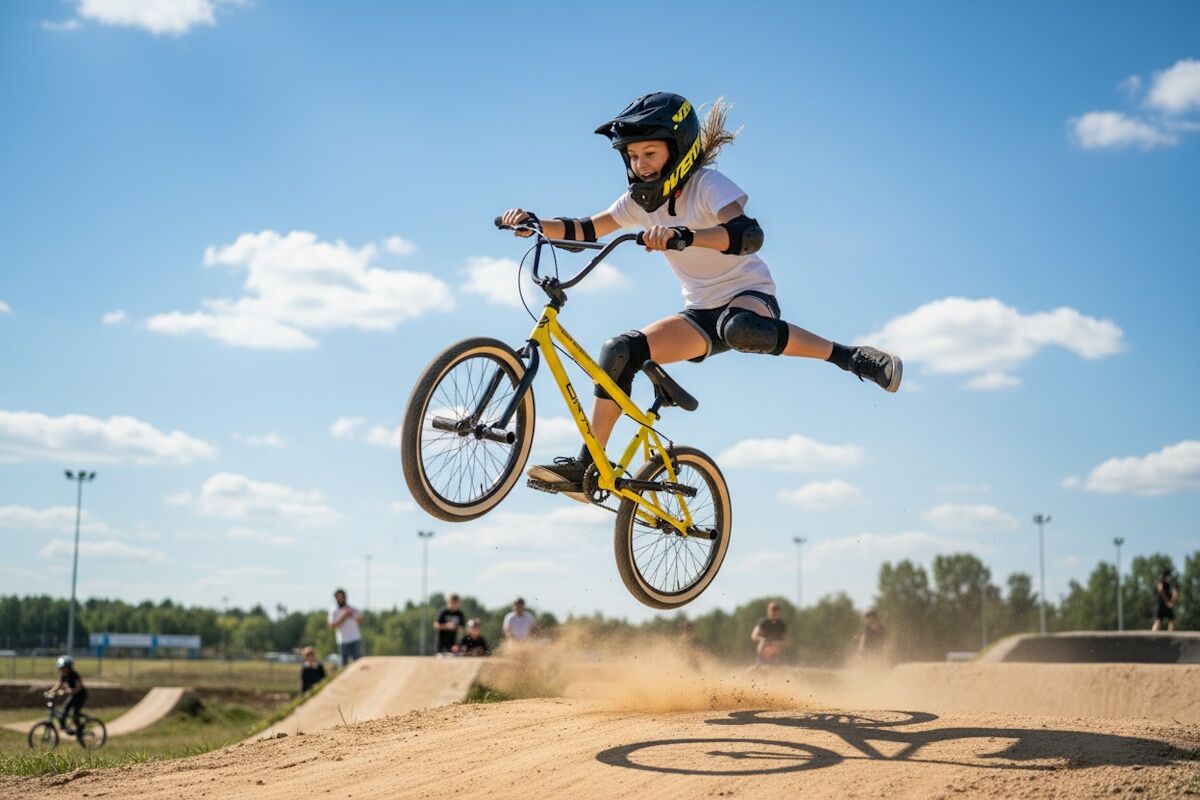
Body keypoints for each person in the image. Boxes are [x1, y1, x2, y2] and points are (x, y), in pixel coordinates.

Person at [500, 92, 902, 499]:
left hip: (748, 297)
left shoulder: (707, 186)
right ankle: (590, 467)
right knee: (620, 350)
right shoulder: (639, 203)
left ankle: (850, 357)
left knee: (741, 328)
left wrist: (685, 236)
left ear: (677, 152)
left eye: (650, 154)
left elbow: (749, 235)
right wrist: (534, 222)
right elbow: (588, 229)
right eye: (633, 156)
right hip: (699, 314)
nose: (640, 165)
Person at [49, 655, 87, 733]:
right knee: (65, 709)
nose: (60, 670)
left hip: (81, 696)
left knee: (74, 713)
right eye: (60, 668)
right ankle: (64, 727)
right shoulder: (63, 675)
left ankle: (80, 728)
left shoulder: (75, 675)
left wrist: (66, 691)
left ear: (68, 667)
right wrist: (51, 691)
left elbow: (78, 688)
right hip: (73, 695)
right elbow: (59, 684)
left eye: (62, 668)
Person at [328, 588, 364, 665]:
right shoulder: (334, 611)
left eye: (341, 596)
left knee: (357, 662)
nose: (340, 599)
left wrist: (352, 615)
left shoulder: (352, 608)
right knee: (344, 663)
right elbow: (332, 625)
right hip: (343, 641)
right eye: (338, 597)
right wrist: (343, 617)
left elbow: (361, 620)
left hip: (355, 638)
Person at [750, 601, 787, 665]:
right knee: (762, 643)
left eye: (776, 609)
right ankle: (759, 664)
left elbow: (787, 640)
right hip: (764, 647)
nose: (773, 612)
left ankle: (776, 664)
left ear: (779, 611)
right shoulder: (763, 622)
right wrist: (762, 639)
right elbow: (753, 636)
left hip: (776, 649)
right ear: (768, 610)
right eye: (772, 609)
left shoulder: (781, 624)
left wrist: (778, 643)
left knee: (776, 646)